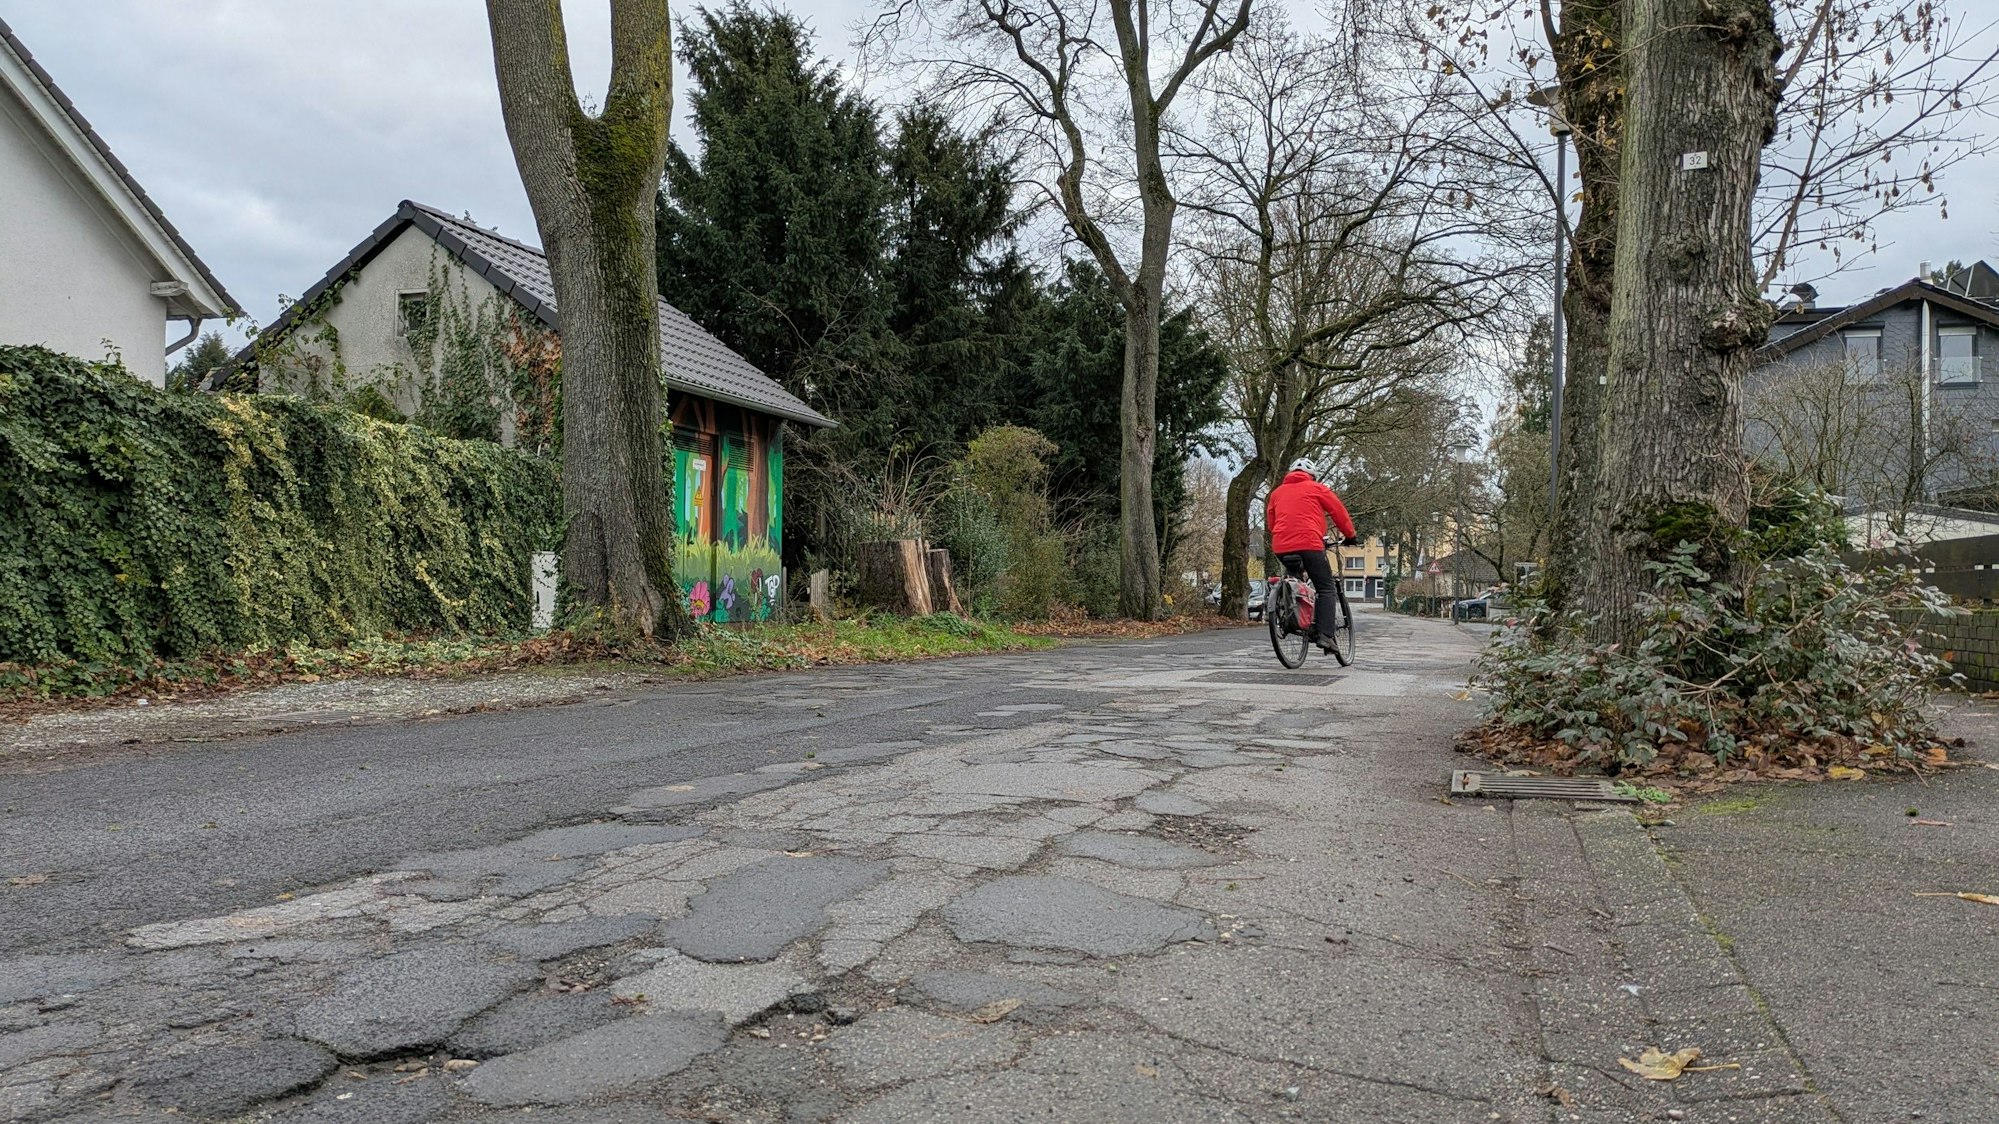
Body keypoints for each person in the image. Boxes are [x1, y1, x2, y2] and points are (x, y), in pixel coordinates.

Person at [1265, 466, 1359, 652]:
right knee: (1326, 588)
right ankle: (1325, 635)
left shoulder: (1276, 493)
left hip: (1281, 545)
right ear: (1311, 475)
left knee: (1295, 582)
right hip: (1310, 544)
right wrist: (1350, 535)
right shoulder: (1317, 488)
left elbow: (1271, 523)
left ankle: (1291, 618)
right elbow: (1338, 511)